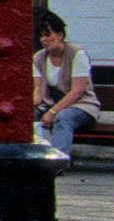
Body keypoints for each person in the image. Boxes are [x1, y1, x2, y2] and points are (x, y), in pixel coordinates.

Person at [32, 9, 101, 155]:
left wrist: (53, 112)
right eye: (41, 36)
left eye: (47, 34)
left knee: (63, 118)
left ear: (60, 35)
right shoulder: (39, 58)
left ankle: (59, 161)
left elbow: (78, 91)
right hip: (51, 104)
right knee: (31, 116)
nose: (44, 39)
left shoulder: (77, 54)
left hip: (82, 105)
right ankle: (34, 158)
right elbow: (38, 92)